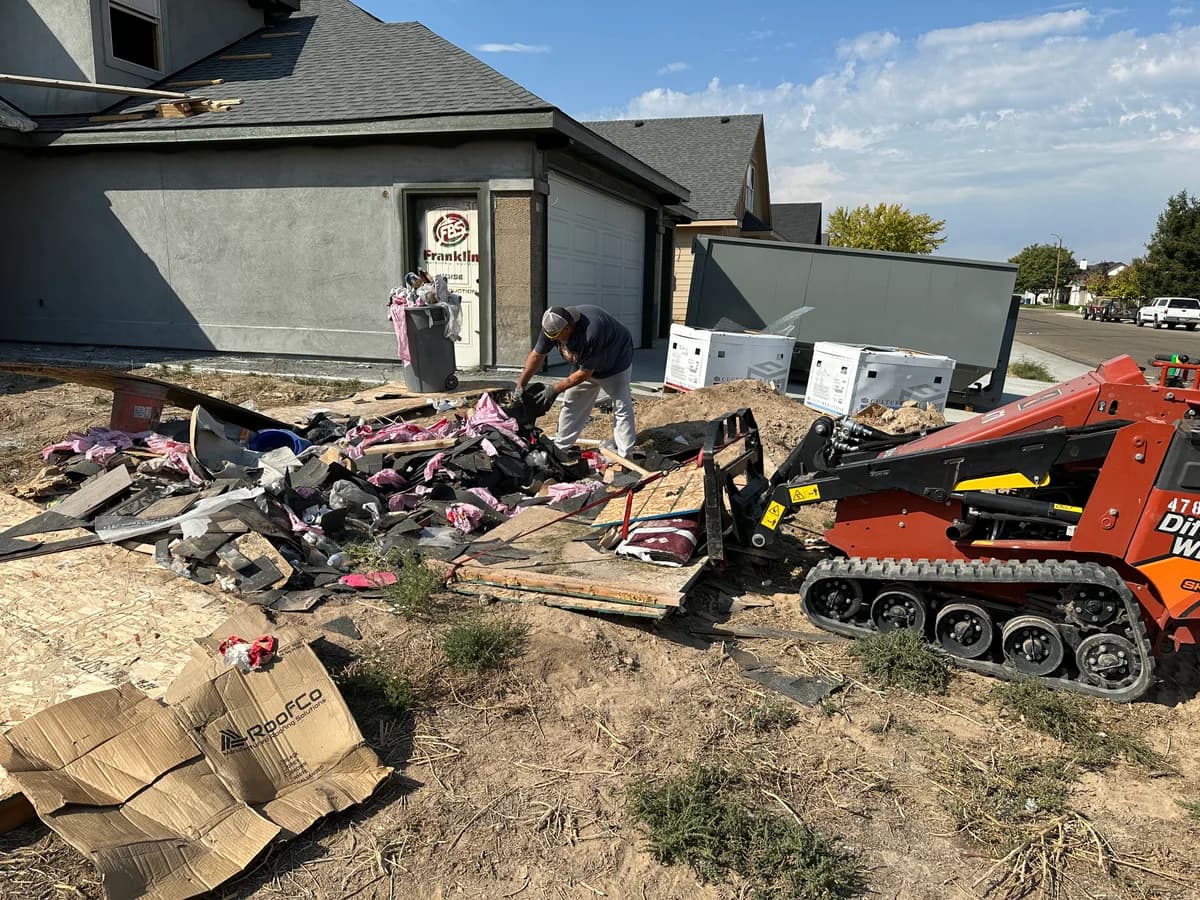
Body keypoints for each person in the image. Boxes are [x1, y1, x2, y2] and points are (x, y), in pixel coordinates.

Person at [514, 305, 636, 456]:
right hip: (585, 363)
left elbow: (585, 374)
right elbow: (537, 356)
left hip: (615, 362)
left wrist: (555, 389)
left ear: (569, 326)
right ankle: (560, 449)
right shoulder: (552, 327)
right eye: (552, 337)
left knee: (621, 406)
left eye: (558, 335)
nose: (556, 340)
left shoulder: (591, 331)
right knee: (571, 404)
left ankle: (625, 455)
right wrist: (521, 385)